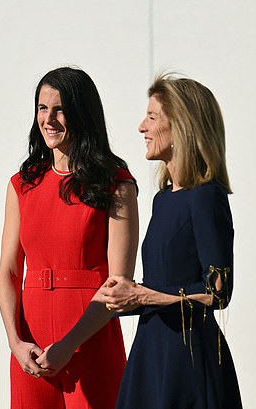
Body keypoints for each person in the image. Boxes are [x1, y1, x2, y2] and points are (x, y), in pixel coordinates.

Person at [0, 67, 139, 409]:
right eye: (42, 108)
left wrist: (69, 343)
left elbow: (119, 283)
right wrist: (15, 342)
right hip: (30, 345)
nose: (49, 119)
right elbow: (9, 272)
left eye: (60, 109)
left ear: (82, 113)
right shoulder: (22, 184)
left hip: (90, 336)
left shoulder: (116, 184)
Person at [100, 74, 243, 408]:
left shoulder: (207, 197)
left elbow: (218, 294)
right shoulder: (162, 200)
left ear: (181, 126)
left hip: (188, 360)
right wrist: (127, 298)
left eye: (152, 117)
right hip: (150, 351)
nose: (141, 127)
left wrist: (142, 294)